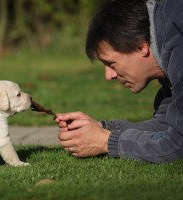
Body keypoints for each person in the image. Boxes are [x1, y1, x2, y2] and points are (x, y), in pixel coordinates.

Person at [55, 0, 183, 163]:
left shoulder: (178, 44)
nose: (109, 76)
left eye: (111, 64)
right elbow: (166, 126)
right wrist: (103, 129)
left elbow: (177, 145)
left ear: (140, 46)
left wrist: (105, 141)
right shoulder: (166, 33)